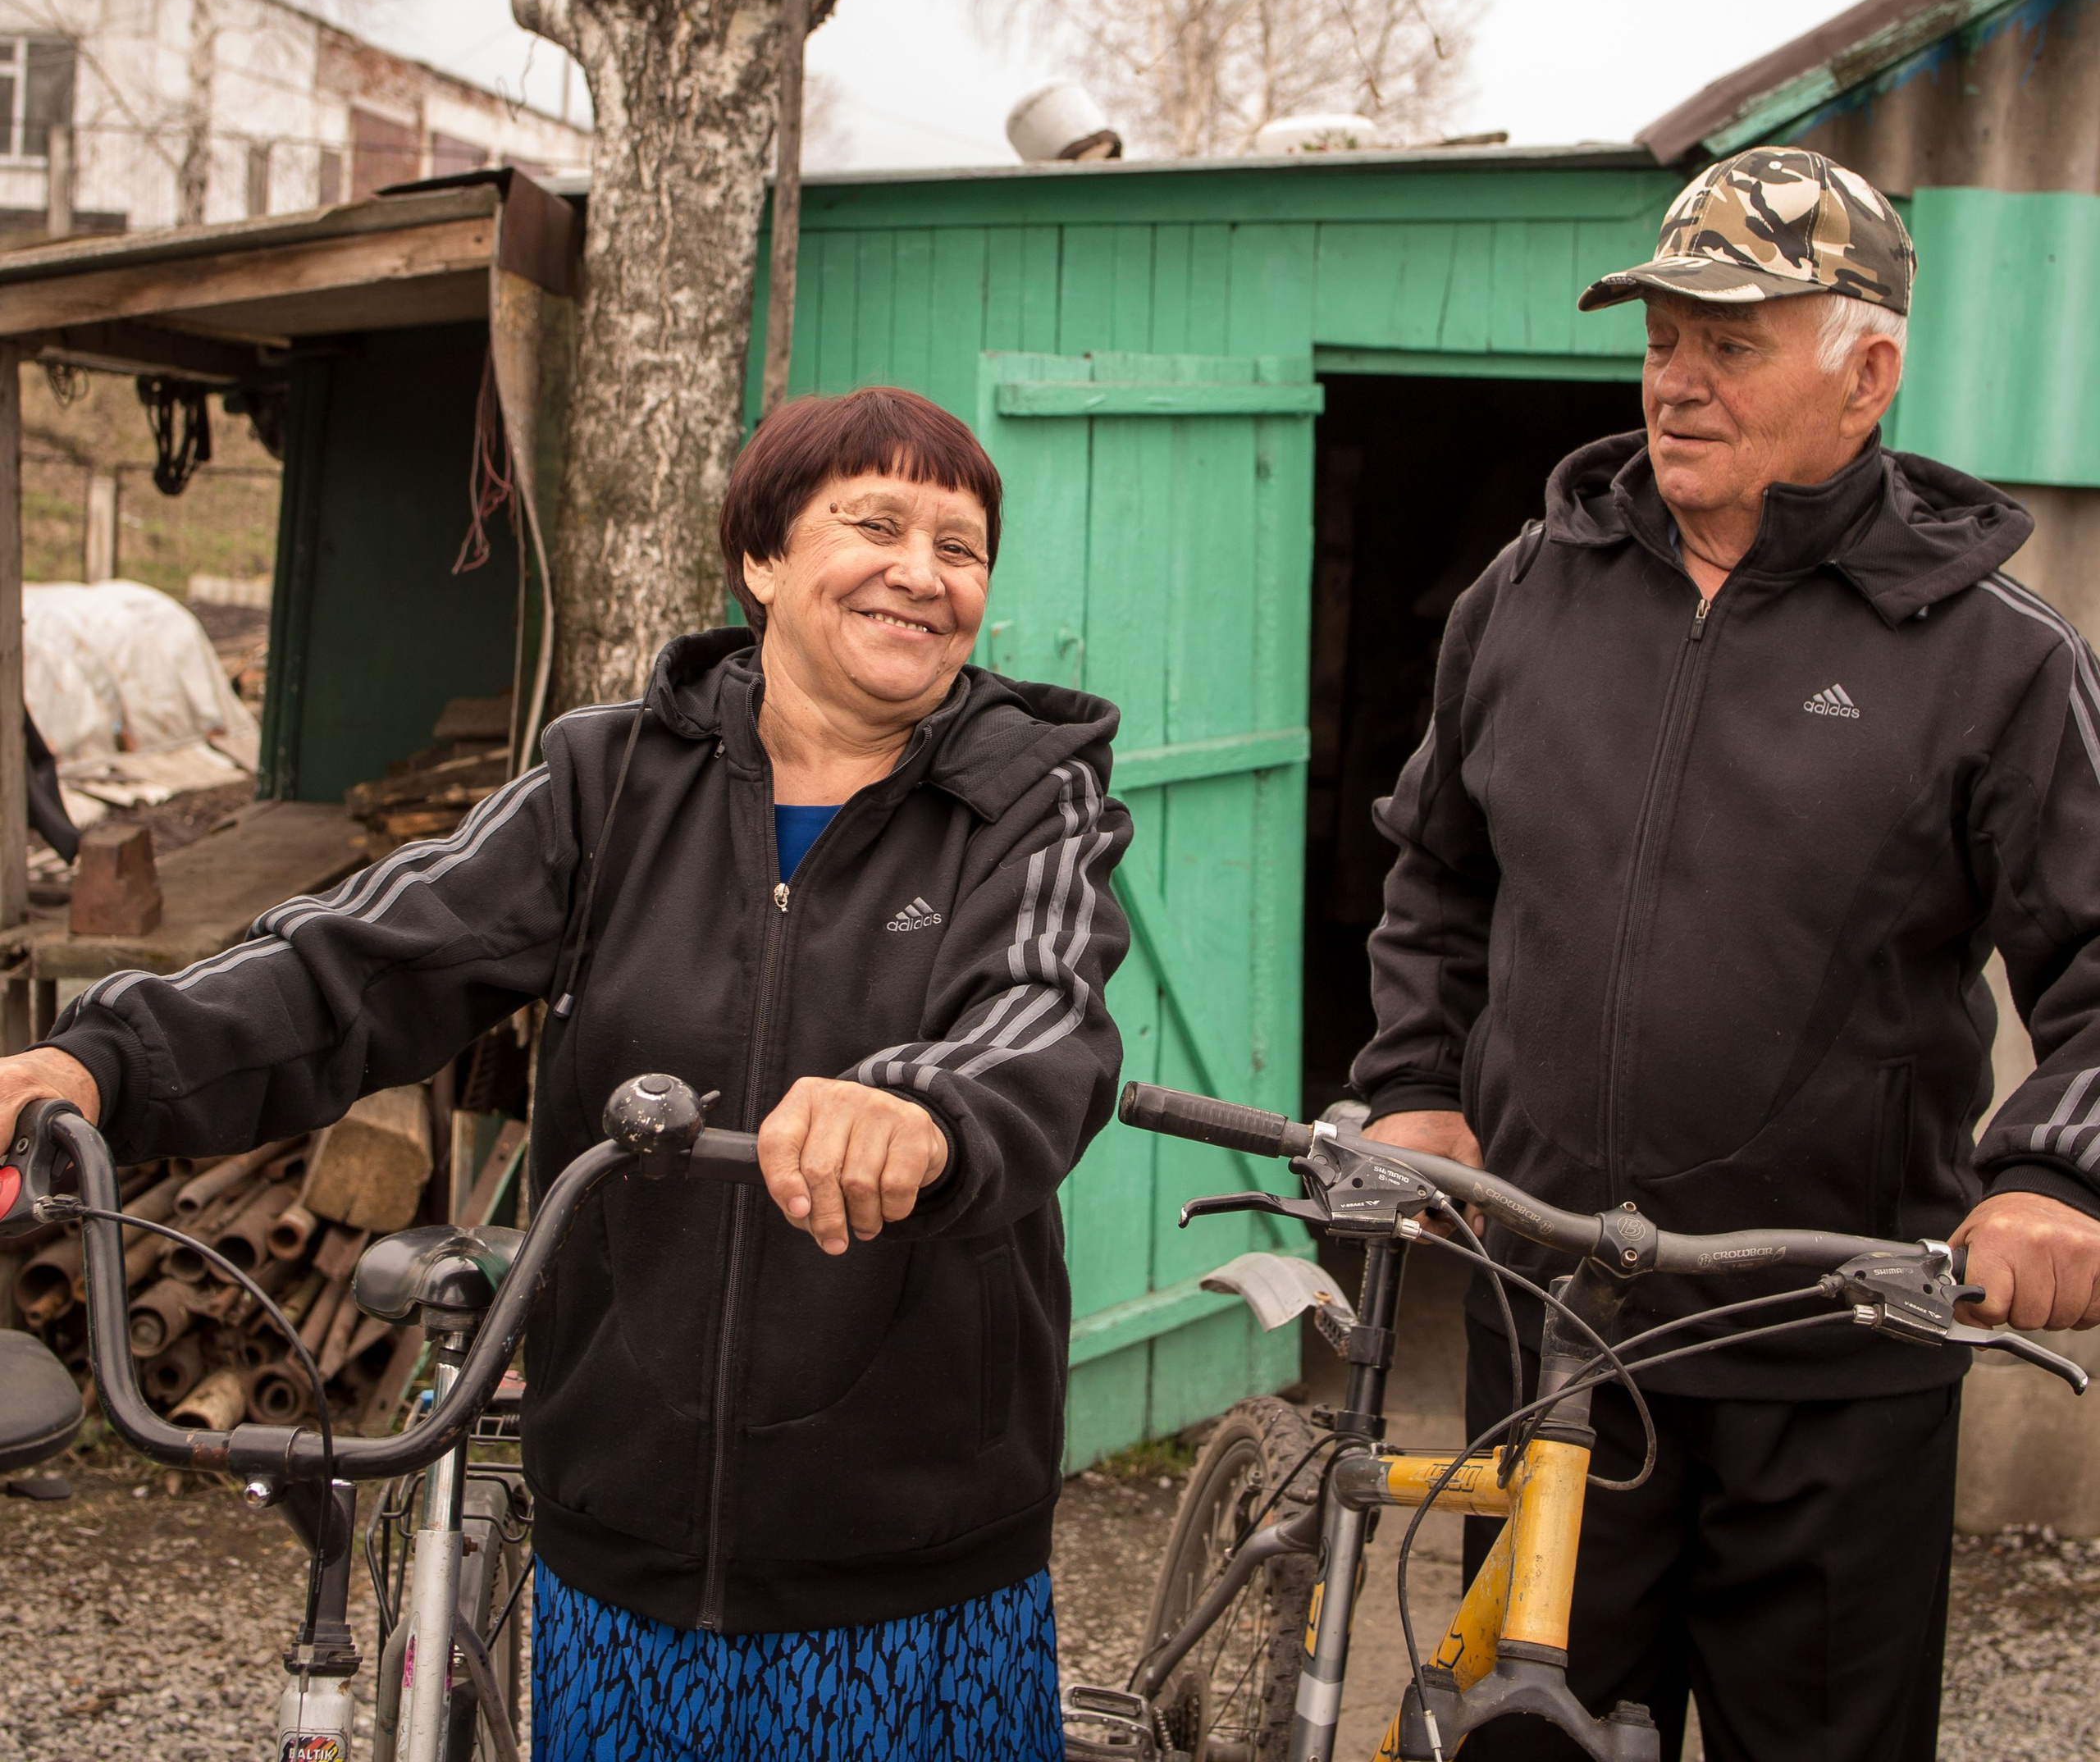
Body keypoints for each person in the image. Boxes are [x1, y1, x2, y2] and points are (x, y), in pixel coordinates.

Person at [0, 385, 1132, 1761]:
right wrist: (97, 1058)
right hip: (624, 1541)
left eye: (961, 547)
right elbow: (360, 961)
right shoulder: (612, 781)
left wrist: (919, 1101)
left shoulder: (1031, 796)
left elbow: (1038, 1007)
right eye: (876, 523)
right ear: (762, 557)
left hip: (910, 1546)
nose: (922, 571)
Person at [1350, 147, 2100, 1762]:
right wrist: (1414, 1081)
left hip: (1836, 1366)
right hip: (1548, 1345)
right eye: (1659, 338)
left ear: (1865, 373)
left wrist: (2055, 1180)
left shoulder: (1997, 660)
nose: (1672, 384)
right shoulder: (1524, 594)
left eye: (1730, 343)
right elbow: (1436, 869)